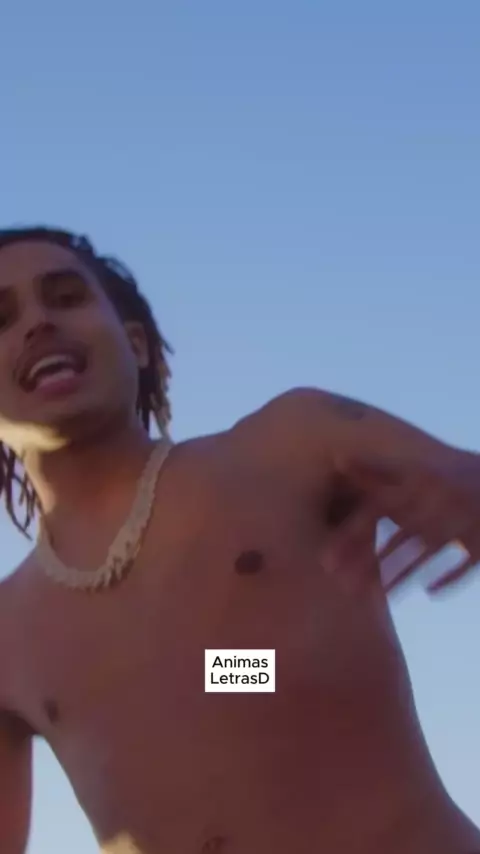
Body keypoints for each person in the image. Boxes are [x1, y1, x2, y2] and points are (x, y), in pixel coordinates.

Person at [0, 226, 478, 854]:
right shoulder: (9, 629)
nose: (38, 322)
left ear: (135, 344)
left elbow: (235, 675)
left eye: (65, 297)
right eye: (1, 319)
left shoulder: (289, 445)